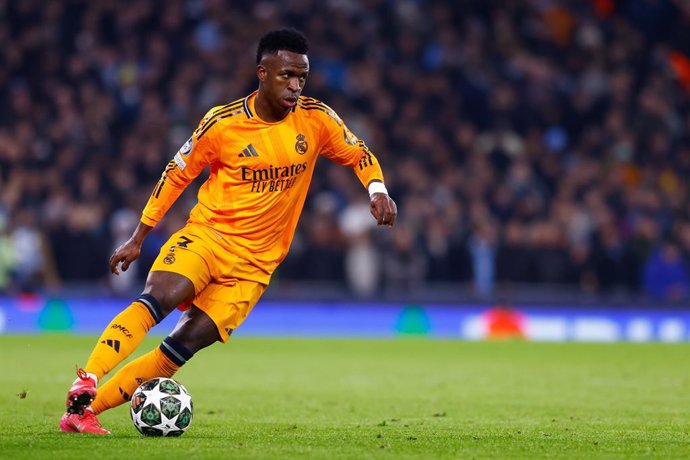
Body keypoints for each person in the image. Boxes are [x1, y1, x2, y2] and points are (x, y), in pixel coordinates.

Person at [59, 28, 397, 434]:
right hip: (209, 236)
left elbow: (359, 154)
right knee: (160, 297)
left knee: (180, 347)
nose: (295, 86)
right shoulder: (222, 124)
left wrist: (377, 190)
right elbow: (175, 176)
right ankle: (89, 378)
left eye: (301, 77)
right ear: (262, 72)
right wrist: (139, 236)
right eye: (286, 75)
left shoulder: (317, 120)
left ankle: (83, 412)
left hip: (255, 266)